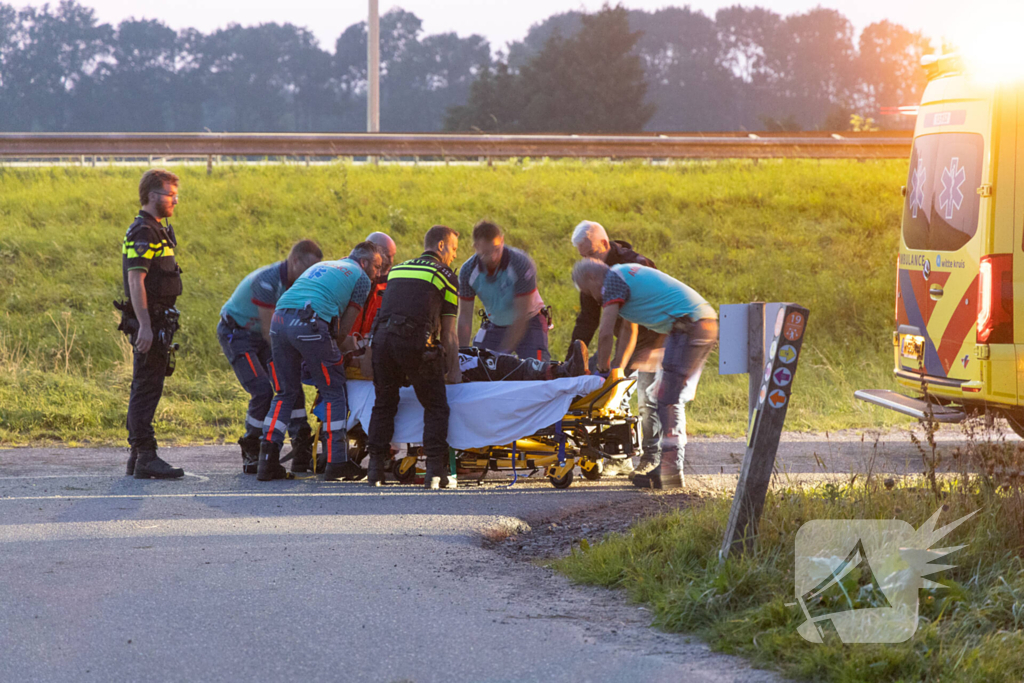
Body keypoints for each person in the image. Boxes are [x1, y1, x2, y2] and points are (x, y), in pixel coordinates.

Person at [571, 259, 718, 489]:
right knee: (662, 395)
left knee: (667, 399)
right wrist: (616, 370)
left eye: (587, 290)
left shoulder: (612, 282)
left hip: (689, 327)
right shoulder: (624, 275)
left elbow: (606, 332)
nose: (592, 298)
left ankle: (670, 470)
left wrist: (601, 369)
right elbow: (630, 331)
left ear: (591, 278)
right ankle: (670, 466)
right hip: (697, 323)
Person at [257, 242, 383, 482]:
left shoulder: (326, 265)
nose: (378, 273)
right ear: (364, 263)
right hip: (310, 322)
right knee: (333, 390)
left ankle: (267, 460)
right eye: (377, 267)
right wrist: (355, 352)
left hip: (280, 320)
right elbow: (342, 332)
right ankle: (337, 462)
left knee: (284, 392)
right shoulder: (362, 279)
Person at [365, 225, 461, 489]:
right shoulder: (446, 275)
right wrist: (454, 371)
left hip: (382, 341)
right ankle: (434, 471)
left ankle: (375, 469)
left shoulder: (399, 268)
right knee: (435, 405)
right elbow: (449, 333)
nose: (454, 255)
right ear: (440, 246)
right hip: (415, 342)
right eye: (453, 249)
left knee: (384, 402)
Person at [217, 240, 323, 474]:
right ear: (295, 261)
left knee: (289, 384)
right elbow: (270, 333)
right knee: (262, 388)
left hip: (267, 335)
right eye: (308, 270)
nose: (310, 276)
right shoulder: (266, 282)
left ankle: (300, 443)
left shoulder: (299, 282)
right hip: (239, 333)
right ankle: (252, 445)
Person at [569, 220, 662, 477]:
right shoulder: (592, 271)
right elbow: (588, 320)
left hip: (653, 336)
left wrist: (613, 360)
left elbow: (628, 324)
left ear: (605, 244)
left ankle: (653, 458)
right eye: (582, 256)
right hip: (623, 338)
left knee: (647, 397)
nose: (588, 259)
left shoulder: (637, 265)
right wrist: (575, 354)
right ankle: (620, 456)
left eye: (590, 253)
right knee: (608, 393)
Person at [119, 169, 185, 480]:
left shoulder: (157, 229)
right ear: (152, 196)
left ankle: (138, 456)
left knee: (148, 386)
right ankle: (145, 454)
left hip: (159, 320)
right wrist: (145, 325)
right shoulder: (143, 231)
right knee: (146, 387)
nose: (175, 200)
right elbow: (136, 280)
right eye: (170, 195)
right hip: (151, 321)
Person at [457, 221, 550, 362]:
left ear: (502, 240)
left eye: (497, 249)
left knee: (536, 371)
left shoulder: (520, 263)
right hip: (496, 323)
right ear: (475, 247)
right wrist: (461, 354)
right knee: (478, 365)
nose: (493, 257)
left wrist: (502, 355)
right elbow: (464, 317)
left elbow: (520, 317)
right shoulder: (468, 271)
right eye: (486, 253)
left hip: (529, 320)